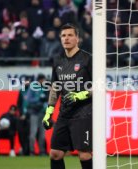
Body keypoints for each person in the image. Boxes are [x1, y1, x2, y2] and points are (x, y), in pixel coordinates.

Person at [42, 23, 92, 169]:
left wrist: (80, 95)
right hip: (64, 114)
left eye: (70, 35)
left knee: (84, 155)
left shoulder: (87, 59)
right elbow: (55, 87)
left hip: (84, 113)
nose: (66, 38)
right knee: (55, 153)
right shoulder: (58, 61)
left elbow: (100, 86)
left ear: (77, 39)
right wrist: (49, 112)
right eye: (63, 35)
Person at [27, 74, 48, 156]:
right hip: (34, 113)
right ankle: (31, 151)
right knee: (33, 133)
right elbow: (28, 99)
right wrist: (38, 99)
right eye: (43, 80)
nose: (44, 81)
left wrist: (45, 105)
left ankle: (42, 151)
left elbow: (47, 100)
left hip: (42, 112)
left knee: (42, 134)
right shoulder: (33, 87)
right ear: (40, 80)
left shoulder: (45, 88)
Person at [17, 78, 30, 156]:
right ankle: (24, 149)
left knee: (29, 134)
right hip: (22, 116)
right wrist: (21, 114)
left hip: (30, 116)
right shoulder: (21, 91)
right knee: (21, 134)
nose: (26, 82)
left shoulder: (33, 90)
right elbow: (18, 104)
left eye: (28, 81)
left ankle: (27, 151)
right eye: (25, 81)